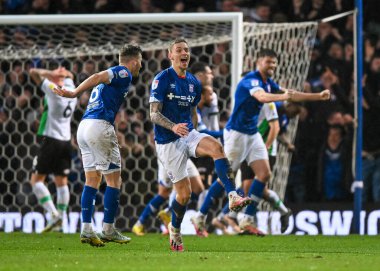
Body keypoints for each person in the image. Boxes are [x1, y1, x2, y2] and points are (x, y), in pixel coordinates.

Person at [149, 38, 251, 252]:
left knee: (217, 148)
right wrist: (173, 126)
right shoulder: (162, 79)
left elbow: (193, 111)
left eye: (186, 50)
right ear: (171, 55)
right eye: (179, 50)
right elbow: (153, 114)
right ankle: (175, 229)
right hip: (168, 141)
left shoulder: (194, 83)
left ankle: (232, 195)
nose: (184, 53)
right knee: (184, 195)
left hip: (188, 133)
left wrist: (193, 132)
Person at [222, 48, 330, 233]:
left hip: (258, 143)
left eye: (274, 62)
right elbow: (268, 96)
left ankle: (239, 218)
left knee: (254, 182)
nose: (272, 65)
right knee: (238, 182)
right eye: (268, 62)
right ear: (258, 62)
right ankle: (221, 216)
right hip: (241, 138)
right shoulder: (253, 84)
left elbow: (278, 121)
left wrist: (317, 97)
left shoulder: (269, 90)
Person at [53, 43, 143, 247]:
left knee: (92, 179)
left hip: (84, 127)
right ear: (135, 61)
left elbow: (99, 82)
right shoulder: (123, 72)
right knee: (114, 180)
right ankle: (108, 229)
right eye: (140, 63)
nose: (140, 67)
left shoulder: (115, 79)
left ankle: (86, 230)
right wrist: (74, 93)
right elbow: (97, 76)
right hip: (99, 126)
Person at [29, 66, 77, 233]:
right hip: (65, 141)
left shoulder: (54, 89)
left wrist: (51, 74)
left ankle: (54, 214)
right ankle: (60, 220)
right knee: (61, 182)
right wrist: (63, 74)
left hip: (51, 140)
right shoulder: (72, 88)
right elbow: (70, 75)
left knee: (36, 181)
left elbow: (32, 73)